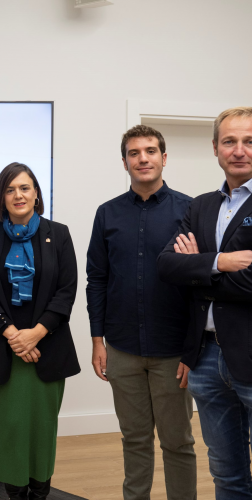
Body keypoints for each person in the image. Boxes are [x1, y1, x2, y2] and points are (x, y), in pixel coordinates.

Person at [86, 125, 196, 499]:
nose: (143, 158)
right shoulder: (108, 214)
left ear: (164, 158)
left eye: (150, 151)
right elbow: (96, 280)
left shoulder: (190, 211)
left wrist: (192, 350)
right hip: (121, 348)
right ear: (125, 162)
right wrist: (97, 341)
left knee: (178, 443)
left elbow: (202, 287)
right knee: (134, 440)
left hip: (173, 353)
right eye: (134, 153)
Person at [0, 162, 80, 500]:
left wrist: (36, 333)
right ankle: (14, 490)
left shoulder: (58, 233)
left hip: (48, 347)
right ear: (1, 197)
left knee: (43, 426)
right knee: (11, 427)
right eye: (10, 189)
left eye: (25, 188)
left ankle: (40, 489)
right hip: (5, 350)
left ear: (36, 194)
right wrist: (15, 335)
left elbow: (67, 291)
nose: (18, 195)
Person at [158, 106, 252, 499]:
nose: (239, 150)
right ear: (215, 148)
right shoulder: (200, 206)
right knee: (226, 472)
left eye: (249, 141)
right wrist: (221, 262)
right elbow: (167, 264)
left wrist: (198, 268)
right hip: (207, 358)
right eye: (229, 141)